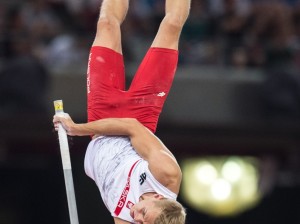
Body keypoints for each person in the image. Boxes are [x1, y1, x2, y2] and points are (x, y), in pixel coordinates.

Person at [53, 0, 190, 223]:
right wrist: (75, 129)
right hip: (139, 116)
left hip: (102, 121)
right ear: (157, 197)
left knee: (106, 24)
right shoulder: (166, 175)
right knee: (172, 25)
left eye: (141, 223)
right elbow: (130, 126)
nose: (136, 216)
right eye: (144, 213)